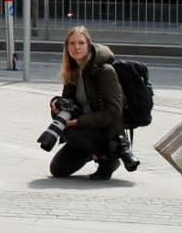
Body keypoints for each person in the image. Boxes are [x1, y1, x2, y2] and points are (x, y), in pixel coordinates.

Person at [45, 26, 130, 180]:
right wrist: (56, 106)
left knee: (69, 132)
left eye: (81, 43)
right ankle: (92, 152)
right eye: (72, 43)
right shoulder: (73, 71)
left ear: (89, 45)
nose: (76, 47)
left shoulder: (105, 71)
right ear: (67, 47)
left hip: (106, 132)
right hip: (85, 131)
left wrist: (77, 122)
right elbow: (69, 103)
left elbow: (113, 113)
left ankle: (109, 158)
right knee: (58, 170)